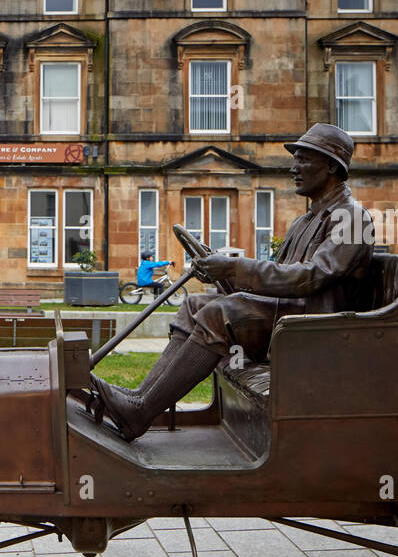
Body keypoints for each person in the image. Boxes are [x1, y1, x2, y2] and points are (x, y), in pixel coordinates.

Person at [85, 124, 374, 442]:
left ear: (332, 165)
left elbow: (311, 277)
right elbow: (278, 281)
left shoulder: (352, 218)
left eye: (303, 159)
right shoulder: (304, 220)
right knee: (195, 304)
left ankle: (139, 410)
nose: (293, 168)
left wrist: (235, 267)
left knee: (220, 314)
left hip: (313, 332)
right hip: (288, 320)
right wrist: (226, 278)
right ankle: (139, 399)